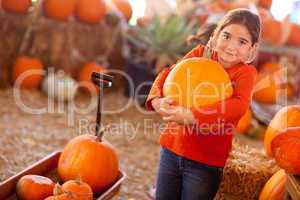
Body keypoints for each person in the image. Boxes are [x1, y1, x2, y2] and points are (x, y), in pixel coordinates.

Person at [145, 8, 261, 200]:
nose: (231, 46)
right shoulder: (200, 54)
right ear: (215, 36)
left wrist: (193, 116)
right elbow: (167, 74)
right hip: (172, 149)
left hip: (206, 161)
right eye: (226, 36)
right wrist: (156, 100)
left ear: (252, 48)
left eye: (242, 42)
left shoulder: (245, 74)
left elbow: (238, 105)